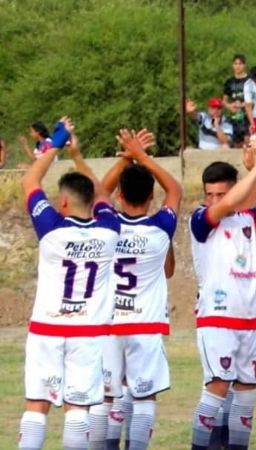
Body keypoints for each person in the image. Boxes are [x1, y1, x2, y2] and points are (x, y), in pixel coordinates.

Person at [17, 117, 120, 450]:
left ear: (62, 202)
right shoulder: (109, 230)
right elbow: (103, 195)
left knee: (37, 406)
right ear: (92, 204)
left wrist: (58, 141)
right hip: (87, 332)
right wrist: (80, 158)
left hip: (47, 328)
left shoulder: (51, 228)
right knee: (79, 410)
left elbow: (31, 179)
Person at [83, 129, 181, 450]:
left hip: (109, 324)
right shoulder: (159, 229)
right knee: (143, 398)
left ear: (120, 197)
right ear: (152, 197)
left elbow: (98, 191)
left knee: (106, 397)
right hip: (145, 324)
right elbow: (175, 189)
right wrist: (141, 156)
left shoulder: (107, 224)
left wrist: (126, 157)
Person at [189, 134, 256, 450]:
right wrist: (254, 168)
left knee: (246, 396)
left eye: (221, 193)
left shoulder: (248, 219)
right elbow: (232, 203)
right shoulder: (201, 220)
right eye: (210, 194)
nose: (215, 200)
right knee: (217, 389)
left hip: (249, 322)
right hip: (216, 321)